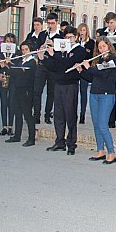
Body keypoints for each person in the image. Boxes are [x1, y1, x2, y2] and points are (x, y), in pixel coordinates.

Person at [39, 26, 86, 155]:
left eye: (71, 37)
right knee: (59, 115)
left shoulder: (80, 50)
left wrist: (54, 54)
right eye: (66, 37)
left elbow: (69, 63)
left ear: (76, 37)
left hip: (71, 85)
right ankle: (60, 141)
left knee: (70, 114)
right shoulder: (60, 50)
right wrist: (43, 58)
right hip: (58, 84)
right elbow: (55, 67)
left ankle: (71, 144)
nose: (69, 39)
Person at [79, 36, 116, 164]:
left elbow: (104, 74)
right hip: (94, 94)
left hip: (107, 95)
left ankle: (111, 153)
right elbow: (92, 77)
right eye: (99, 47)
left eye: (103, 46)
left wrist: (89, 68)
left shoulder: (113, 59)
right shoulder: (98, 60)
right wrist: (82, 71)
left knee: (103, 125)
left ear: (108, 46)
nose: (101, 49)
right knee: (96, 125)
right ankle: (100, 151)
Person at [5, 41, 37, 146]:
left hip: (26, 91)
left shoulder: (32, 62)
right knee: (17, 113)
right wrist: (8, 64)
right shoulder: (20, 61)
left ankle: (31, 139)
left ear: (30, 50)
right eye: (22, 50)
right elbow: (14, 72)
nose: (24, 52)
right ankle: (17, 136)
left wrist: (17, 70)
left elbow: (29, 75)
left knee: (27, 115)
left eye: (26, 50)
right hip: (18, 89)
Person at [98, 12, 116, 128]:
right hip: (104, 61)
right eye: (108, 23)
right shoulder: (102, 32)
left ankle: (112, 120)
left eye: (111, 23)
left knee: (113, 91)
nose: (109, 25)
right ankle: (104, 117)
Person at [34, 13, 62, 125]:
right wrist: (41, 48)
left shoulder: (61, 36)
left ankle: (47, 115)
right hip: (42, 65)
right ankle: (36, 115)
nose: (50, 25)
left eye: (52, 23)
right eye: (49, 23)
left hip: (53, 67)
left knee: (51, 93)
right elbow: (37, 48)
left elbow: (62, 52)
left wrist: (53, 45)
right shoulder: (42, 35)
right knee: (37, 92)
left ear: (57, 23)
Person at [0, 33, 18, 136]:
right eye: (7, 41)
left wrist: (9, 64)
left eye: (11, 41)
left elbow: (18, 66)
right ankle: (4, 126)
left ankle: (11, 126)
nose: (9, 43)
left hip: (13, 79)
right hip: (3, 78)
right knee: (3, 102)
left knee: (11, 102)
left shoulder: (17, 53)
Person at [24, 17, 46, 124]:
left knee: (38, 92)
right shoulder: (30, 36)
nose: (36, 27)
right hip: (31, 64)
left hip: (40, 66)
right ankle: (29, 112)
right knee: (31, 91)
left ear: (41, 25)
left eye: (38, 25)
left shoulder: (44, 36)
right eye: (34, 25)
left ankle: (37, 114)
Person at [77, 23, 95, 124]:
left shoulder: (91, 43)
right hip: (76, 69)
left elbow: (91, 56)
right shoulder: (76, 42)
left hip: (84, 70)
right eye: (80, 30)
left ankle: (82, 114)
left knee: (83, 92)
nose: (82, 32)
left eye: (84, 30)